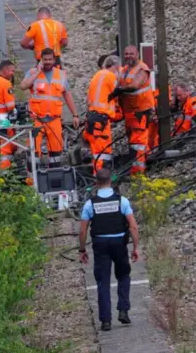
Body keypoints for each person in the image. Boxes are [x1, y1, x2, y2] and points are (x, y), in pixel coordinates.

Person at [79, 168, 140, 332]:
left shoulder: (89, 204)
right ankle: (123, 310)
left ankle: (106, 321)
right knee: (123, 275)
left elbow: (83, 230)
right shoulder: (123, 201)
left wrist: (82, 249)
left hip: (100, 244)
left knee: (103, 281)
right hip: (119, 243)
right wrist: (135, 247)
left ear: (96, 183)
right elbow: (133, 226)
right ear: (111, 181)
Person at [20, 48, 79, 167]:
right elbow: (23, 86)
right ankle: (32, 181)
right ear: (41, 60)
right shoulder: (32, 72)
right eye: (45, 59)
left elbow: (67, 95)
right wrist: (38, 72)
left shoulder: (61, 75)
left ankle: (54, 178)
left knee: (56, 153)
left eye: (50, 59)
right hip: (37, 119)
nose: (47, 62)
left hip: (54, 119)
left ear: (54, 60)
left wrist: (75, 115)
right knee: (33, 152)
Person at [116, 45, 156, 175]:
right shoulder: (125, 69)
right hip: (130, 112)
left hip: (141, 111)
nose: (128, 56)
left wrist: (119, 90)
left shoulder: (142, 68)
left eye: (131, 54)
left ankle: (138, 172)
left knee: (138, 142)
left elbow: (134, 86)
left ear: (137, 54)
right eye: (126, 54)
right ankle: (139, 165)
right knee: (134, 141)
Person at [84, 55, 123, 174]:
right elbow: (118, 93)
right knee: (102, 155)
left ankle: (99, 180)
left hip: (92, 119)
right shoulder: (111, 76)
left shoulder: (98, 75)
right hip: (100, 122)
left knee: (97, 154)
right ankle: (102, 182)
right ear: (116, 66)